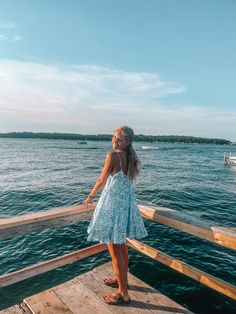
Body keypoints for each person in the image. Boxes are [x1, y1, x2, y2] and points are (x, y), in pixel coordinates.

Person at [83, 126, 148, 305]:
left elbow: (101, 180)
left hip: (113, 209)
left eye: (119, 139)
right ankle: (122, 282)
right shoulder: (130, 158)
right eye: (114, 137)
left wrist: (90, 196)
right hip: (124, 207)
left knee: (115, 251)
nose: (114, 141)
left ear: (127, 142)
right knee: (122, 249)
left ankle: (123, 293)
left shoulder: (112, 156)